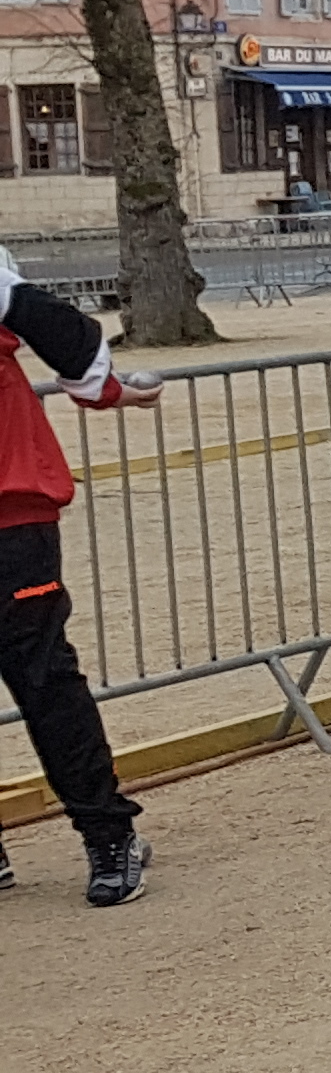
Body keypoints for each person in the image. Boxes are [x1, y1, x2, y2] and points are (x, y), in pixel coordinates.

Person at [0, 251, 158, 906]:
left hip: (11, 513)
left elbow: (44, 320)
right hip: (14, 505)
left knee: (44, 679)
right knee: (45, 678)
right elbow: (52, 324)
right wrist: (100, 386)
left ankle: (108, 837)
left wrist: (100, 384)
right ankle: (100, 841)